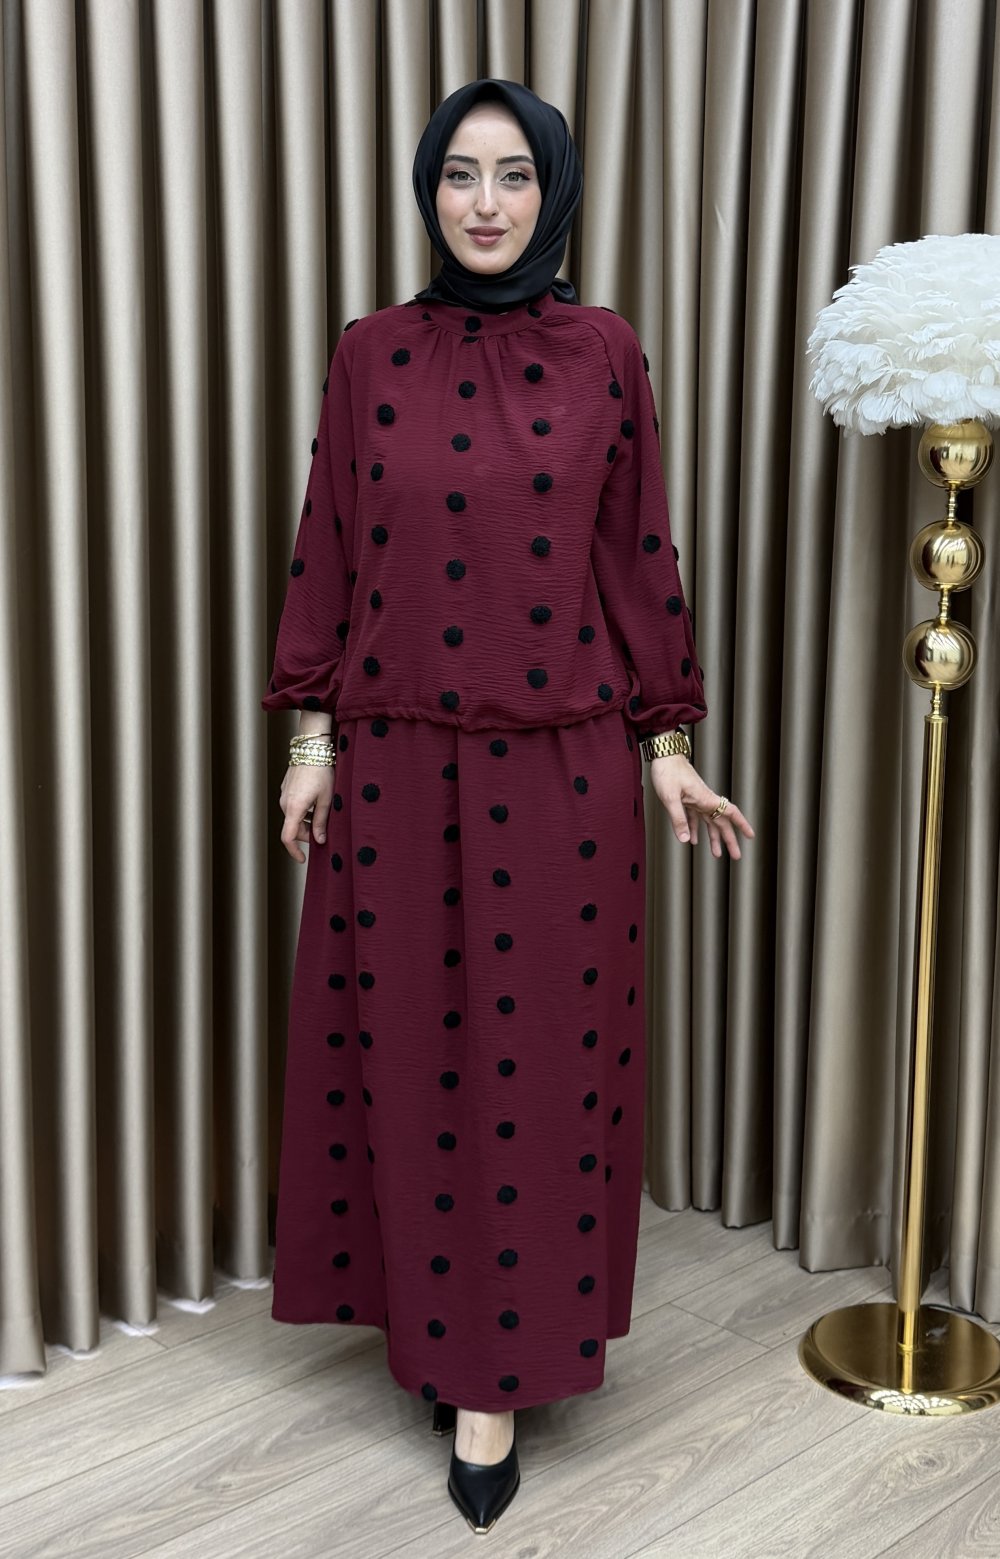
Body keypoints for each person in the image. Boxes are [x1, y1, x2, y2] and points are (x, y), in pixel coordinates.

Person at [261, 77, 753, 1536]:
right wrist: (309, 742)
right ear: (427, 190)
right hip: (397, 762)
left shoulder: (605, 351)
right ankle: (437, 1336)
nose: (486, 203)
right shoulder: (371, 352)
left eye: (516, 174)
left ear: (555, 195)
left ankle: (493, 1385)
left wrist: (668, 743)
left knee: (535, 1078)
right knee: (409, 1064)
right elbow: (329, 550)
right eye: (462, 174)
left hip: (561, 774)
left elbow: (636, 553)